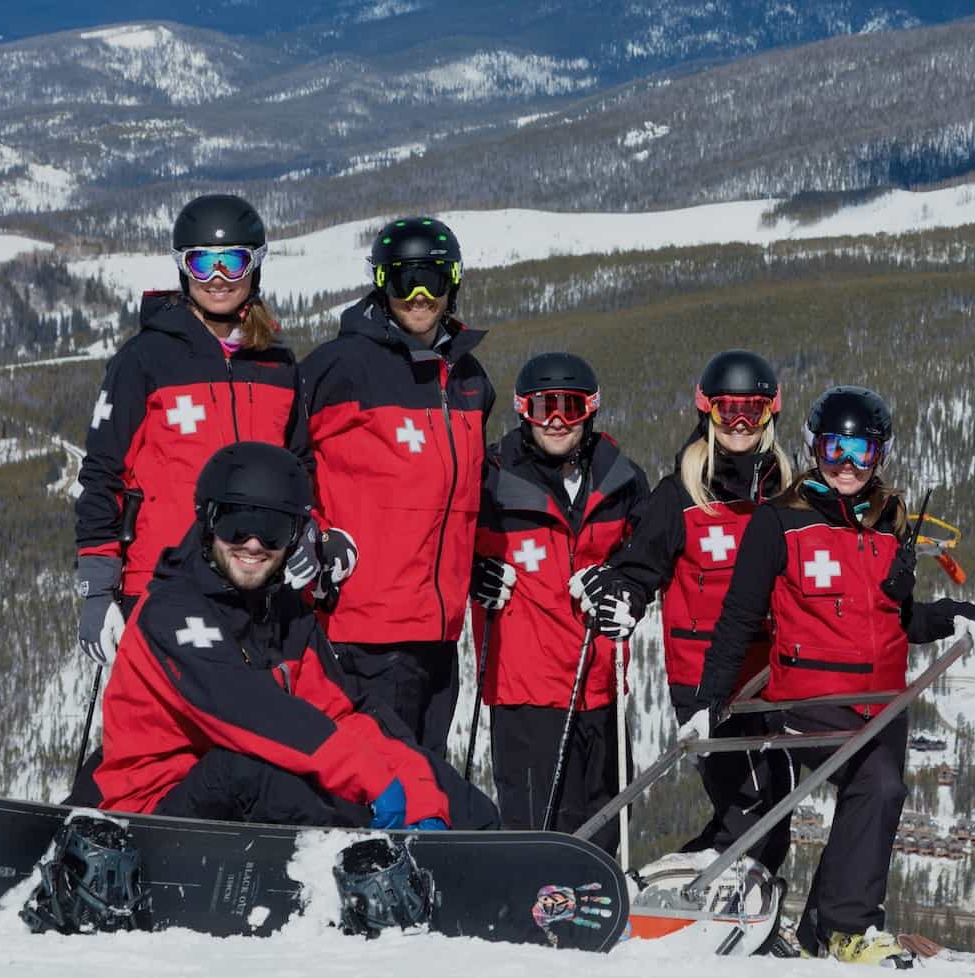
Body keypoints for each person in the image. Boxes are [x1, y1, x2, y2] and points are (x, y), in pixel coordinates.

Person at [690, 385, 975, 968]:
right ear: (814, 449)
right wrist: (710, 699)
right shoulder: (780, 522)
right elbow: (738, 616)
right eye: (835, 450)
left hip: (883, 700)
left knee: (871, 801)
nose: (849, 466)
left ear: (880, 453)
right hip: (812, 696)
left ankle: (821, 929)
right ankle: (851, 929)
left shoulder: (890, 523)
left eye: (863, 451)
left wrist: (954, 614)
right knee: (878, 787)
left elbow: (899, 618)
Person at [91, 442, 499, 829]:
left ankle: (498, 861)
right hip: (153, 817)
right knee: (253, 771)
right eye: (235, 525)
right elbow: (246, 711)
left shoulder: (283, 612)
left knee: (459, 801)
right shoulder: (173, 610)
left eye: (273, 529)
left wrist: (421, 789)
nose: (253, 544)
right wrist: (371, 778)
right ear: (207, 521)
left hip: (244, 800)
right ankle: (375, 861)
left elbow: (343, 715)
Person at [74, 193, 318, 669]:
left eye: (234, 262)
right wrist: (98, 586)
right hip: (164, 585)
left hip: (256, 582)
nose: (220, 279)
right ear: (184, 270)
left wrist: (308, 531)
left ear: (256, 267)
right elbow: (103, 475)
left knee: (254, 733)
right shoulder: (145, 359)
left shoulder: (276, 365)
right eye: (204, 264)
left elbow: (301, 467)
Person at [599, 350, 796, 876]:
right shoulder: (679, 497)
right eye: (727, 409)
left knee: (776, 801)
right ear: (706, 410)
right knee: (753, 801)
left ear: (770, 414)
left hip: (769, 678)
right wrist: (623, 598)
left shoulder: (785, 499)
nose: (738, 424)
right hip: (705, 680)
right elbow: (639, 568)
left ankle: (731, 901)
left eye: (751, 411)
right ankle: (687, 888)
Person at [302, 216, 492, 752]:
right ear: (381, 283)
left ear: (453, 281)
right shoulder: (341, 367)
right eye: (404, 279)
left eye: (433, 278)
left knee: (423, 782)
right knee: (371, 785)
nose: (420, 295)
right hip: (364, 631)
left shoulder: (470, 380)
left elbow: (467, 490)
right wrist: (306, 534)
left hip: (439, 633)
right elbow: (281, 459)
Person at [470, 352, 649, 854]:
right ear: (522, 411)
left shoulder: (621, 479)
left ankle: (598, 917)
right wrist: (472, 573)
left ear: (589, 410)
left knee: (606, 822)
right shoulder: (491, 479)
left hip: (600, 683)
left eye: (568, 408)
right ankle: (534, 921)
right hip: (526, 690)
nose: (555, 421)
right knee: (538, 831)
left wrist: (624, 587)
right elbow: (441, 540)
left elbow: (650, 557)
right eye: (543, 407)